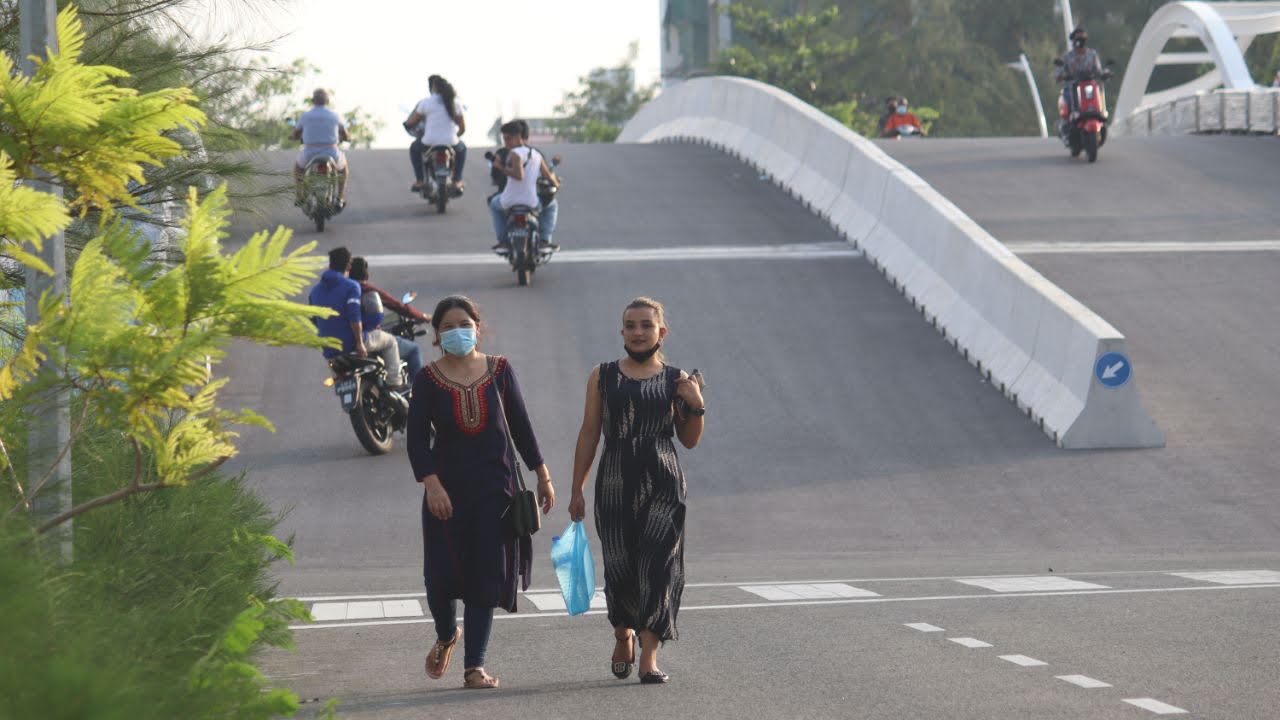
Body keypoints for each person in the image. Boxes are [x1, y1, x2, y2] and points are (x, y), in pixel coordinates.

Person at [407, 295, 555, 690]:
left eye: (464, 323)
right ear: (437, 336)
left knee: (484, 578)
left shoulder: (499, 370)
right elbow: (418, 441)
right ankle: (445, 633)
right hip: (447, 494)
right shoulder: (427, 378)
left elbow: (521, 427)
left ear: (478, 326)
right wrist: (432, 485)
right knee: (439, 578)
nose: (458, 331)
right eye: (449, 326)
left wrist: (543, 474)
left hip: (496, 490)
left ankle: (475, 667)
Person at [568, 297, 705, 685]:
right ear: (622, 331)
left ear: (662, 332)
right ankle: (622, 632)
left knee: (659, 564)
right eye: (631, 325)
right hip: (614, 479)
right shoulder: (603, 375)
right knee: (620, 562)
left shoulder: (678, 379)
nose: (638, 332)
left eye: (647, 325)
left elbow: (690, 440)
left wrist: (695, 404)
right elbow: (589, 432)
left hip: (663, 478)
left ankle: (649, 654)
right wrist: (576, 488)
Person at [488, 120, 560, 254]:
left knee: (493, 204)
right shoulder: (536, 154)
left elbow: (519, 175)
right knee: (552, 205)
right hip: (532, 202)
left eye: (508, 139)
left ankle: (503, 241)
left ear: (517, 137)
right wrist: (557, 184)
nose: (506, 142)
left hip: (509, 201)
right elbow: (548, 175)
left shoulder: (514, 153)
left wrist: (501, 167)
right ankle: (544, 241)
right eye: (504, 139)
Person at [347, 257, 418, 390]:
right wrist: (422, 317)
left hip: (344, 343)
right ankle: (400, 384)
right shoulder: (366, 289)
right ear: (366, 273)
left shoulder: (341, 291)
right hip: (363, 338)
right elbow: (392, 307)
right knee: (410, 348)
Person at [404, 75, 467, 194]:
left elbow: (412, 121)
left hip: (429, 141)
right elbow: (462, 127)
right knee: (462, 149)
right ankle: (457, 180)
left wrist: (408, 124)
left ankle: (420, 180)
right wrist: (455, 136)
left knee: (414, 149)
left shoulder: (426, 103)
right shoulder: (456, 103)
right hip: (451, 141)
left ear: (433, 88)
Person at [293, 89, 351, 208]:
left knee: (298, 169)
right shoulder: (334, 115)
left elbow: (296, 133)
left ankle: (300, 196)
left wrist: (294, 136)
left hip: (309, 152)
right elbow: (345, 134)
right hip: (331, 152)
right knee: (343, 170)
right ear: (327, 101)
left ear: (313, 101)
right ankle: (340, 197)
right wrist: (347, 138)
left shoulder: (306, 115)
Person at [308, 246, 366, 361]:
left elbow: (313, 320)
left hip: (328, 348)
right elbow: (354, 317)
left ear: (330, 264)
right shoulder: (352, 286)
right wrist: (360, 343)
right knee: (390, 342)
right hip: (349, 344)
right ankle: (395, 379)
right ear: (349, 266)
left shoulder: (314, 291)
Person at [1055, 27, 1105, 123]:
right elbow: (1058, 71)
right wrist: (1061, 76)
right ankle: (1073, 114)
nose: (1080, 42)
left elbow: (1098, 70)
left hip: (1089, 87)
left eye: (1083, 39)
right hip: (1072, 87)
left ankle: (1101, 111)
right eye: (1078, 39)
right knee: (1068, 97)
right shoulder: (1067, 57)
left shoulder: (1092, 54)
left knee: (1099, 88)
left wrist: (1104, 74)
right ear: (1073, 41)